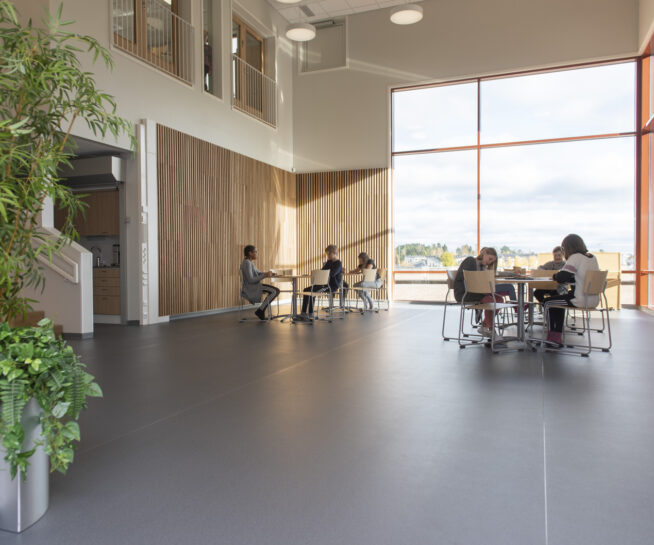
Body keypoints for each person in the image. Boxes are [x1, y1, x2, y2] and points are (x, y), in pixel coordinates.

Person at [543, 234, 600, 345]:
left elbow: (562, 277)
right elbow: (578, 276)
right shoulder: (592, 257)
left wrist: (554, 276)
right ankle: (556, 336)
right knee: (557, 302)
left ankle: (553, 338)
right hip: (593, 300)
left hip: (579, 299)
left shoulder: (575, 257)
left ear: (567, 247)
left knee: (547, 302)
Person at [453, 247, 504, 337]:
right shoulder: (470, 261)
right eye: (490, 259)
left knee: (499, 299)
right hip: (464, 293)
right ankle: (492, 331)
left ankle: (484, 326)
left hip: (476, 292)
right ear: (484, 253)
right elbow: (469, 282)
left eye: (492, 261)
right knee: (490, 301)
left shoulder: (483, 267)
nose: (490, 262)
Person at [299, 244, 347, 320]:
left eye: (329, 254)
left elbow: (332, 274)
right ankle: (303, 312)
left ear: (334, 253)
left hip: (331, 286)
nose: (327, 256)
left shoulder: (338, 264)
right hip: (323, 284)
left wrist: (322, 274)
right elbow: (322, 271)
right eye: (327, 254)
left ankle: (310, 313)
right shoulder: (329, 262)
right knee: (306, 290)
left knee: (312, 291)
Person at [240, 245, 279, 320]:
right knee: (275, 291)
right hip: (252, 287)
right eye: (255, 252)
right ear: (250, 253)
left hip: (255, 286)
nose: (257, 254)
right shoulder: (247, 263)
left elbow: (259, 273)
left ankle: (260, 310)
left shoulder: (249, 263)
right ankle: (260, 310)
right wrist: (265, 275)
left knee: (276, 291)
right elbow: (251, 280)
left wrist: (268, 274)